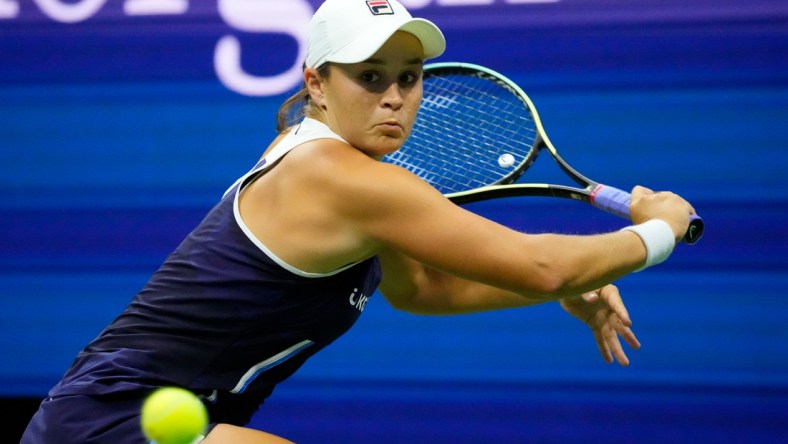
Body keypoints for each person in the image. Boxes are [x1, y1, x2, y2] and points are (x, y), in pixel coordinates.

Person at [21, 0, 696, 443]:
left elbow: (423, 290)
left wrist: (554, 290)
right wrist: (657, 229)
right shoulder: (339, 176)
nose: (396, 97)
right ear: (316, 82)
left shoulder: (348, 172)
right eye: (371, 78)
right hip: (111, 420)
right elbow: (542, 262)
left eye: (409, 77)